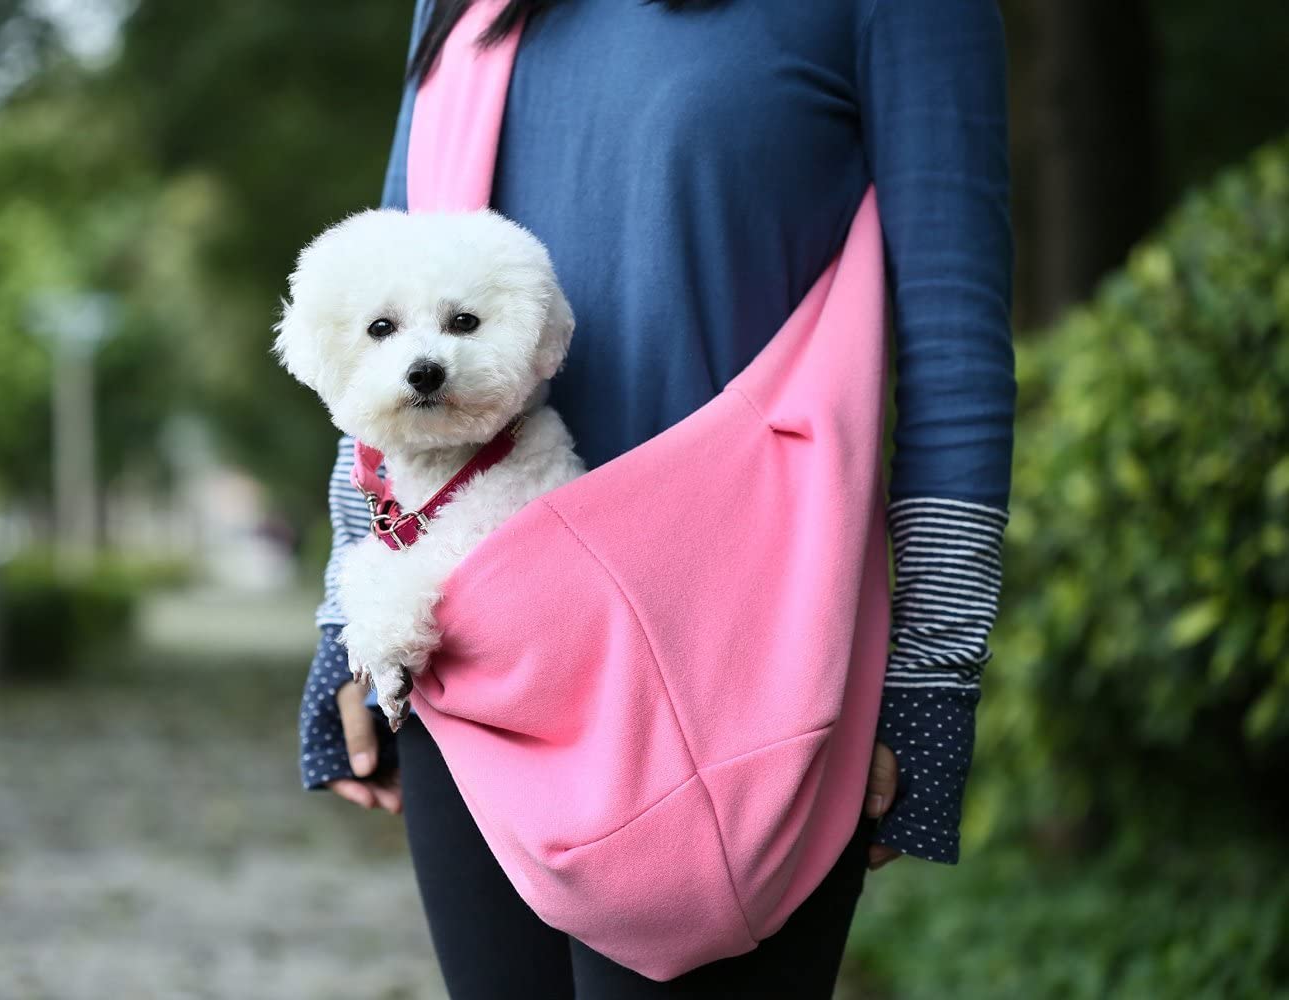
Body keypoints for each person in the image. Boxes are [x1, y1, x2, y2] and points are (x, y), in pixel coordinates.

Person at [297, 0, 1015, 994]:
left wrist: (932, 678)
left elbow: (955, 345)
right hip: (470, 659)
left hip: (734, 677)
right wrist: (349, 610)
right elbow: (383, 320)